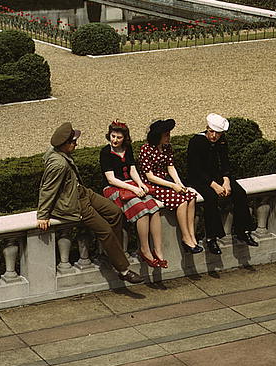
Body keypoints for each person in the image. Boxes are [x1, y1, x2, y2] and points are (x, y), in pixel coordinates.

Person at [37, 122, 145, 284]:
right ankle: (122, 269)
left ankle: (112, 253)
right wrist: (43, 215)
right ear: (64, 144)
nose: (76, 143)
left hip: (83, 192)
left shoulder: (59, 152)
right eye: (73, 141)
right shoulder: (58, 164)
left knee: (115, 212)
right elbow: (47, 189)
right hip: (75, 203)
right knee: (105, 231)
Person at [186, 113, 259, 255]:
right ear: (207, 128)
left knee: (240, 193)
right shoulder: (196, 142)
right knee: (210, 198)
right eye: (211, 132)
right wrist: (214, 185)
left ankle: (242, 231)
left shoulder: (222, 141)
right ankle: (211, 238)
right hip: (198, 178)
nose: (214, 136)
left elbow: (225, 162)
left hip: (216, 176)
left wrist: (226, 180)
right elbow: (195, 169)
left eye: (217, 133)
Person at [100, 121, 167, 269]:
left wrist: (140, 184)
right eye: (113, 136)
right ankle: (144, 249)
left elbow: (132, 170)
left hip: (130, 184)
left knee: (153, 207)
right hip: (114, 188)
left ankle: (158, 250)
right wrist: (134, 189)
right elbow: (111, 179)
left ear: (125, 138)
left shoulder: (127, 148)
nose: (115, 140)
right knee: (141, 210)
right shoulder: (105, 152)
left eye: (118, 137)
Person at [138, 118, 202, 254]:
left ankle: (191, 235)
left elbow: (170, 167)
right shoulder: (146, 149)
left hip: (166, 180)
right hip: (153, 184)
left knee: (191, 197)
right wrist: (173, 186)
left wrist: (179, 183)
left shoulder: (167, 147)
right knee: (182, 202)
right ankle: (185, 237)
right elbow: (149, 176)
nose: (168, 137)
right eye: (166, 135)